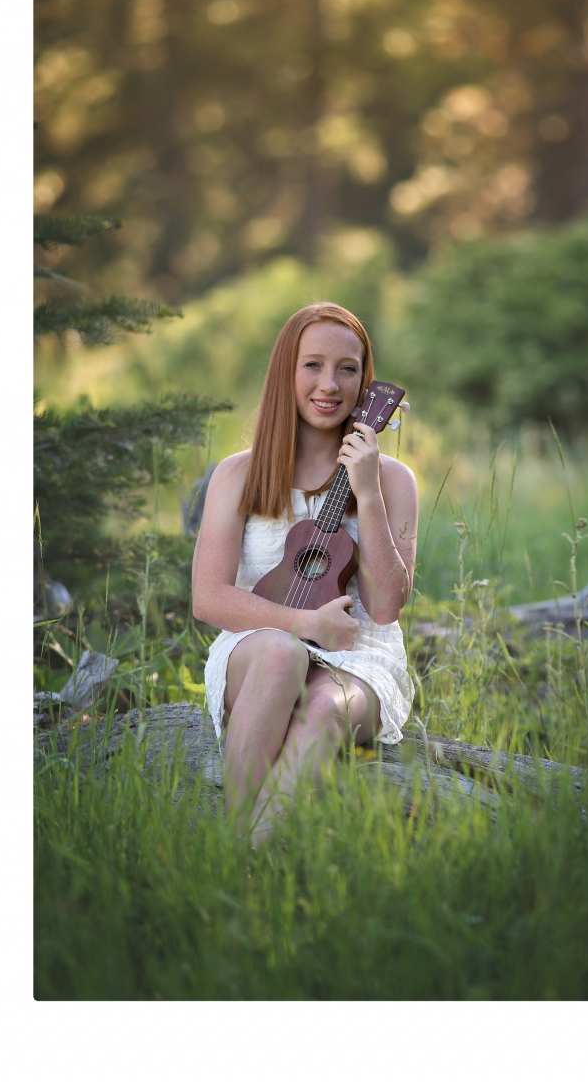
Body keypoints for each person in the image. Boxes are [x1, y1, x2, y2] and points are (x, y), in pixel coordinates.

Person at [192, 302, 418, 846]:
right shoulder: (238, 474)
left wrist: (366, 492)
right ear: (286, 373)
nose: (330, 384)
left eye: (348, 368)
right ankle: (243, 840)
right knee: (280, 652)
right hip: (259, 642)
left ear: (366, 380)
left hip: (359, 651)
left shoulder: (393, 480)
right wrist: (304, 623)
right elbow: (208, 598)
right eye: (312, 364)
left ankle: (251, 849)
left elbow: (385, 607)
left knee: (322, 705)